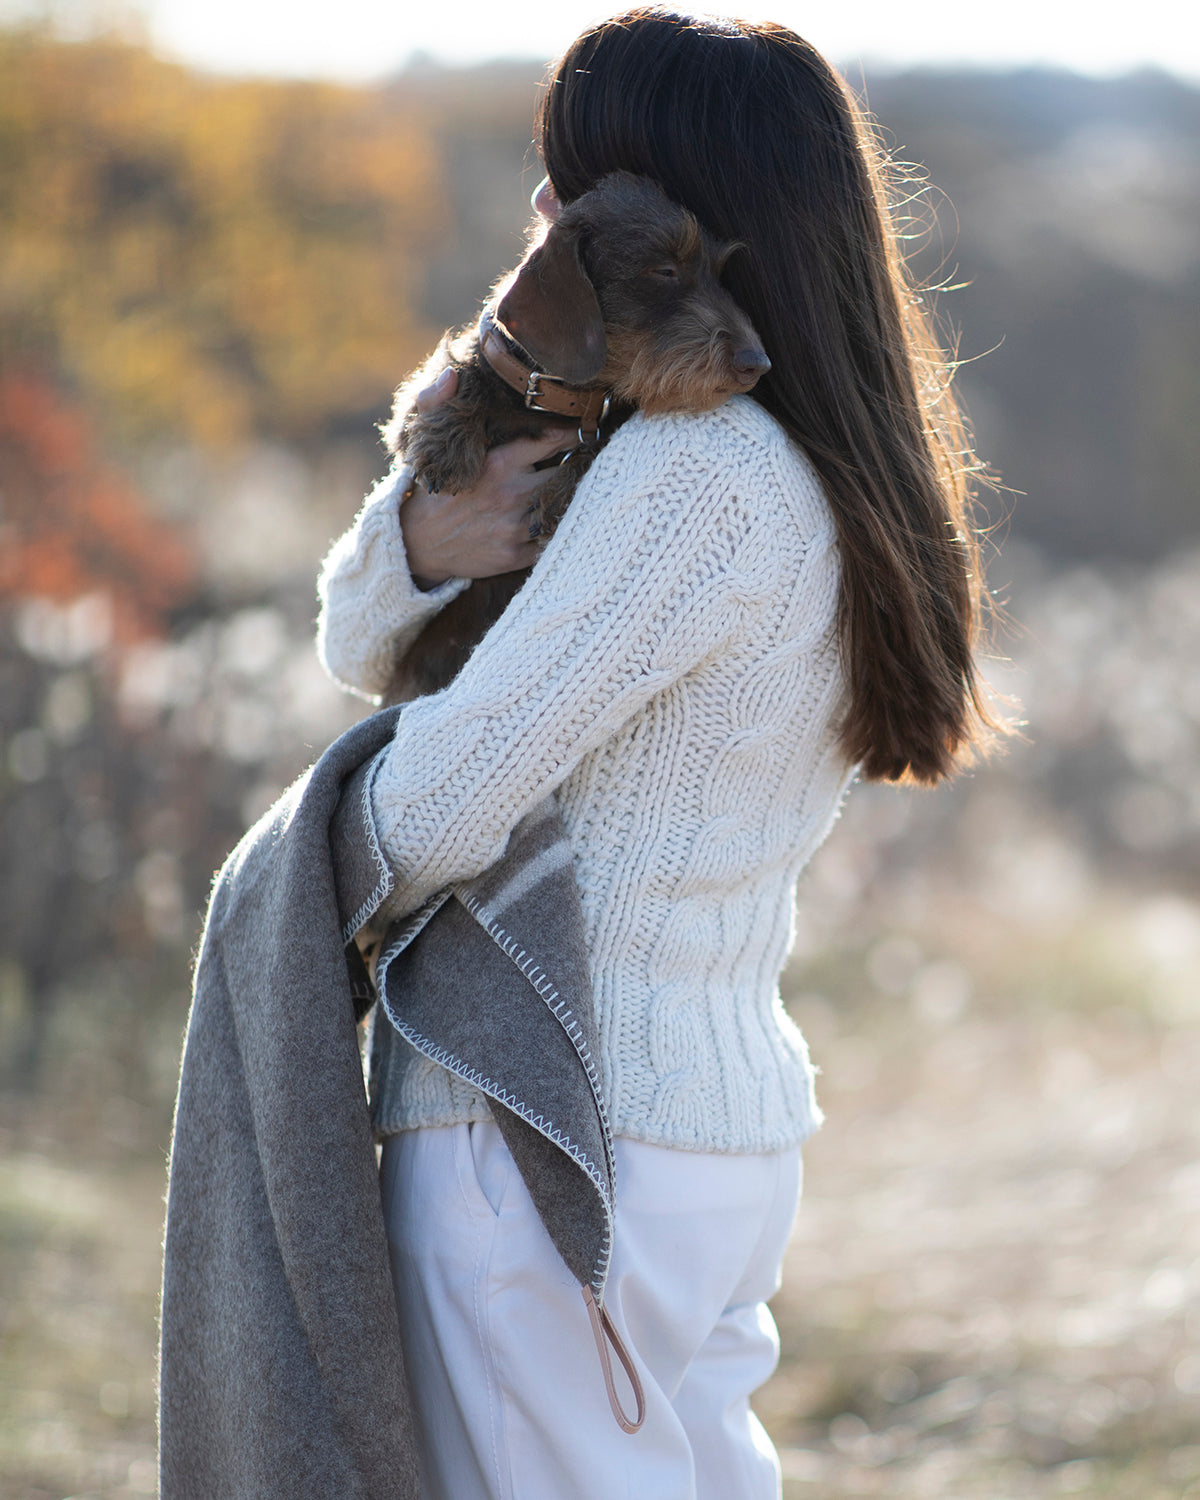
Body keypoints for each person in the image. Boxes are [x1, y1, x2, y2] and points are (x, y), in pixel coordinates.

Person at [315, 10, 999, 1498]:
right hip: (706, 1144)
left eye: (561, 186)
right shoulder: (811, 472)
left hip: (545, 1137)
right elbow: (365, 643)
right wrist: (424, 543)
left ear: (651, 211)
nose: (540, 223)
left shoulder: (692, 480)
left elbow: (435, 801)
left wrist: (293, 852)